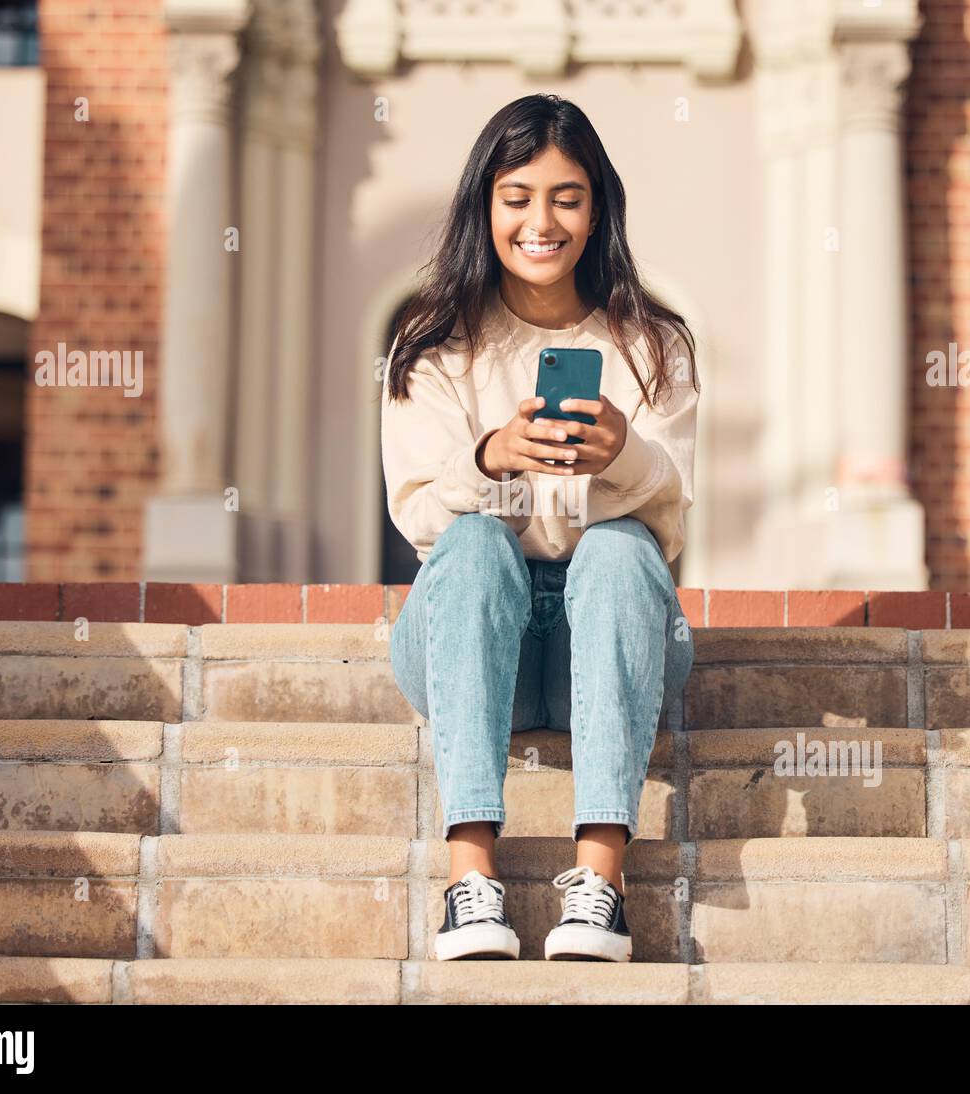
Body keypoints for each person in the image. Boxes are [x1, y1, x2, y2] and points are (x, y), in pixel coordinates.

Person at [380, 93, 700, 962]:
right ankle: (469, 882)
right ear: (484, 207)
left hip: (612, 635)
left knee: (623, 545)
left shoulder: (651, 344)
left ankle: (601, 882)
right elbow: (414, 511)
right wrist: (489, 458)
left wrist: (622, 452)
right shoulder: (433, 340)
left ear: (598, 212)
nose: (541, 221)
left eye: (567, 197)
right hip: (476, 637)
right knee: (479, 542)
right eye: (517, 196)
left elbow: (669, 517)